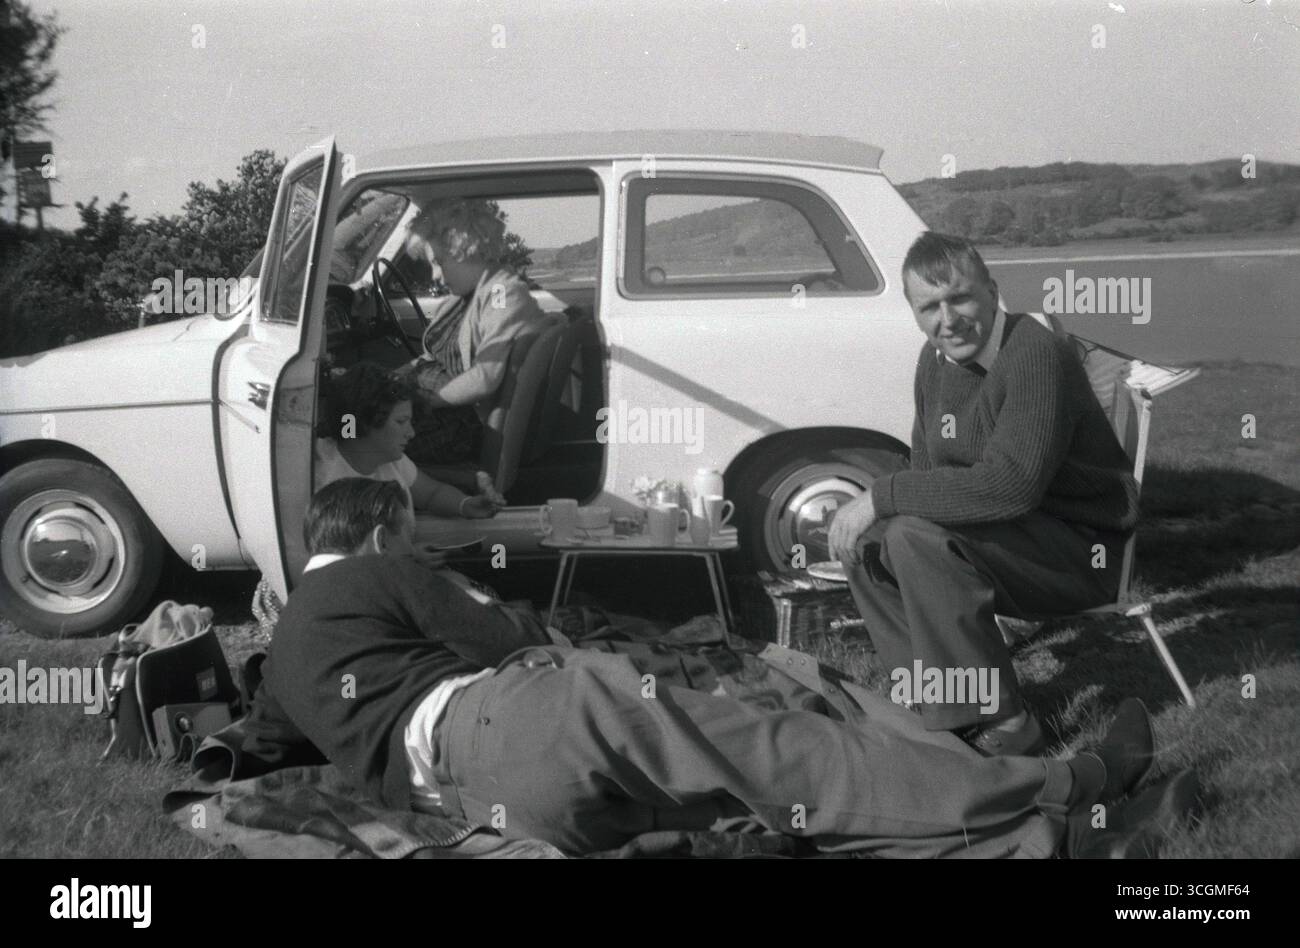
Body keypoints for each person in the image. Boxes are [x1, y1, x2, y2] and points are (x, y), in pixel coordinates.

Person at [244, 476, 1198, 858]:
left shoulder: (286, 644)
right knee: (791, 755)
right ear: (377, 532)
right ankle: (1066, 781)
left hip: (492, 807)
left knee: (775, 811)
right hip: (526, 718)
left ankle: (1049, 842)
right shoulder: (386, 569)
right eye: (412, 531)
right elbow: (504, 647)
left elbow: (263, 743)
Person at [828, 232, 1140, 756]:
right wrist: (880, 508)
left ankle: (1005, 722)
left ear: (992, 292)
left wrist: (883, 495)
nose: (947, 320)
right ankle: (934, 701)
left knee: (911, 534)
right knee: (867, 544)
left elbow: (1011, 486)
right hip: (1013, 543)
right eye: (929, 306)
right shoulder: (934, 363)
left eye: (960, 298)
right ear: (914, 313)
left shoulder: (1036, 355)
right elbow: (928, 469)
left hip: (1085, 553)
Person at [398, 198, 547, 464]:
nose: (434, 275)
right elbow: (433, 358)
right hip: (438, 407)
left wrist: (423, 403)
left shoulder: (502, 292)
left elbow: (484, 377)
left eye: (439, 262)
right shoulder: (468, 294)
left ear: (465, 250)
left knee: (363, 442)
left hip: (458, 423)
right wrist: (392, 379)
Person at [316, 361, 503, 519]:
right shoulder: (324, 477)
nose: (411, 433)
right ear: (365, 422)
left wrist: (464, 504)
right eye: (401, 422)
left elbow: (432, 494)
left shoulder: (391, 461)